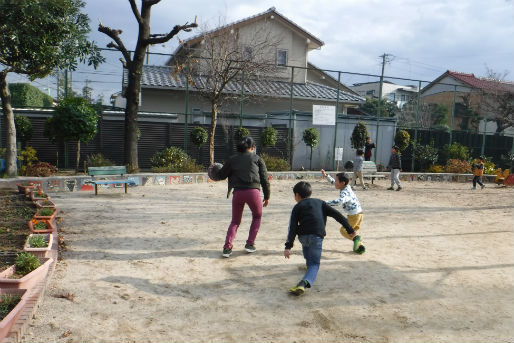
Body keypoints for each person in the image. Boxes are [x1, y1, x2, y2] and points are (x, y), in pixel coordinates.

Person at [284, 181, 358, 296]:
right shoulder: (320, 203)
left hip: (303, 236)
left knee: (307, 250)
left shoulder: (297, 207)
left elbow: (292, 227)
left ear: (297, 195)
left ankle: (306, 275)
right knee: (314, 263)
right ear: (310, 193)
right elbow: (337, 215)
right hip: (317, 236)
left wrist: (288, 246)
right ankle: (305, 281)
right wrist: (350, 229)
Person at [213, 136, 270, 258]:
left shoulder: (232, 159)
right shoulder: (257, 158)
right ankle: (250, 244)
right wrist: (267, 196)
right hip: (253, 192)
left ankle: (227, 248)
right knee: (257, 216)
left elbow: (221, 175)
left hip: (238, 193)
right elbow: (264, 178)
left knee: (235, 221)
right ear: (252, 147)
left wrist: (214, 169)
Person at [320, 170, 366, 254]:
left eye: (337, 180)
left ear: (342, 183)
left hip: (354, 216)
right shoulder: (346, 186)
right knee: (352, 233)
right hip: (359, 214)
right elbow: (333, 182)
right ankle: (360, 247)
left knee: (343, 231)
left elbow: (339, 202)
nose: (335, 182)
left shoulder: (344, 192)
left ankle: (357, 239)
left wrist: (325, 203)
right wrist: (326, 175)